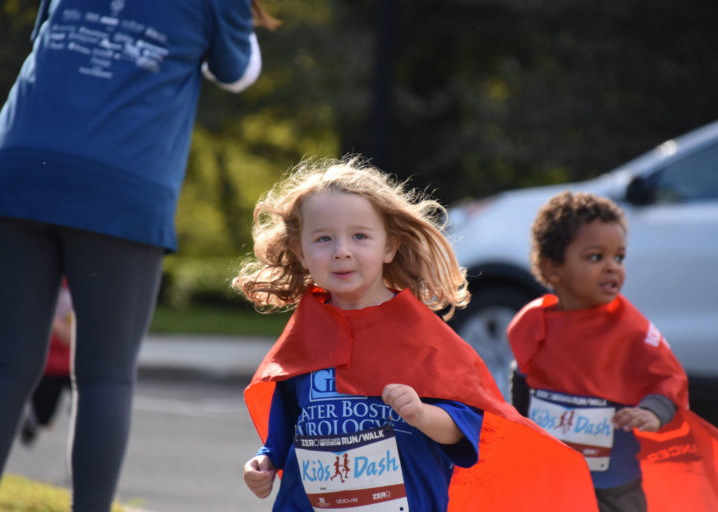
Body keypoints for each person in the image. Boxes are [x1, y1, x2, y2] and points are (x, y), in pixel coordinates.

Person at [0, 1, 277, 510]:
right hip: (120, 187)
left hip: (17, 169)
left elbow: (51, 44)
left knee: (2, 364)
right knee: (104, 375)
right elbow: (236, 73)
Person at [234, 156, 599, 511]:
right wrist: (266, 460)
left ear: (389, 246)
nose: (341, 252)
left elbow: (464, 429)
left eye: (360, 236)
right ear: (300, 252)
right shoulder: (304, 333)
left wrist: (423, 414)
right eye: (323, 239)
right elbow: (285, 422)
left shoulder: (423, 337)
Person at [508, 190, 718, 512]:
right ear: (552, 270)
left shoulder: (633, 330)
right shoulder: (532, 325)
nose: (612, 267)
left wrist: (651, 412)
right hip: (552, 477)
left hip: (615, 487)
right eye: (595, 257)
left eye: (618, 257)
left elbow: (668, 379)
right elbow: (523, 382)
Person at [20, 280, 73, 446]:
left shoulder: (85, 283)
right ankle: (34, 421)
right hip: (49, 364)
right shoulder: (44, 282)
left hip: (78, 364)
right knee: (43, 414)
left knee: (91, 409)